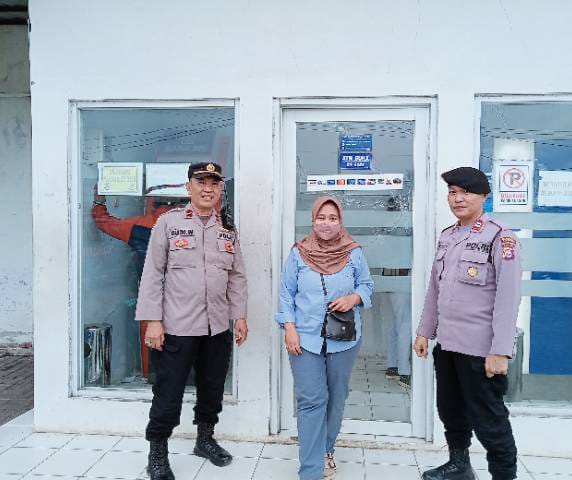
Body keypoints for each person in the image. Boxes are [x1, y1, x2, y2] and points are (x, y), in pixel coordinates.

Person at [135, 162, 249, 480]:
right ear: (189, 187)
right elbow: (152, 273)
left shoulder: (227, 228)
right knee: (168, 393)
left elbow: (237, 276)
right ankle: (157, 454)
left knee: (212, 388)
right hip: (177, 327)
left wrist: (239, 315)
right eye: (201, 182)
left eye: (214, 183)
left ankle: (205, 440)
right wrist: (152, 321)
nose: (208, 188)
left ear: (221, 188)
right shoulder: (168, 223)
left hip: (217, 327)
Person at [413, 167, 521, 480]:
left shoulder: (500, 237)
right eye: (452, 192)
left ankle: (504, 476)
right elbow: (435, 289)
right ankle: (459, 465)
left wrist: (500, 350)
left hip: (480, 351)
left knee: (490, 422)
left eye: (466, 192)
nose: (458, 199)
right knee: (451, 411)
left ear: (484, 196)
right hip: (447, 345)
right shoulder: (448, 236)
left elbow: (508, 297)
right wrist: (424, 331)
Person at [276, 195, 374, 480]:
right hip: (303, 339)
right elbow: (286, 294)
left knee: (336, 397)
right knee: (311, 400)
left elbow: (367, 284)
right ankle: (310, 470)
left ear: (340, 221)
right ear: (313, 220)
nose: (326, 223)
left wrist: (354, 298)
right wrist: (289, 328)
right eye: (321, 217)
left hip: (343, 340)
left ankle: (326, 449)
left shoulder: (354, 252)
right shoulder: (298, 253)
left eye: (333, 218)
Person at [92, 190, 176, 379]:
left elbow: (104, 222)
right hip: (187, 301)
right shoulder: (192, 224)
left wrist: (99, 201)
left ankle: (151, 376)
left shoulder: (139, 225)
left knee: (152, 349)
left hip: (151, 300)